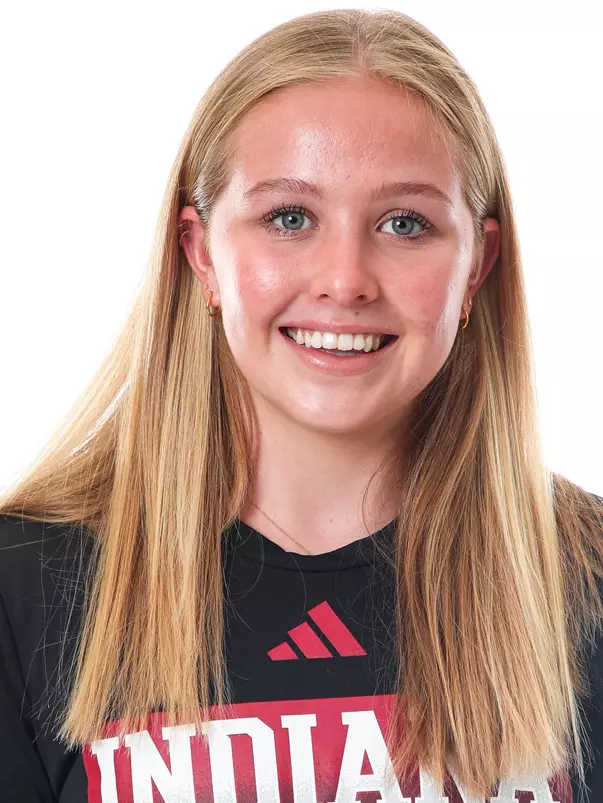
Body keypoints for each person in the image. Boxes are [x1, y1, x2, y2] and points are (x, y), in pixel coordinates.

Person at [1, 7, 602, 802]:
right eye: (289, 217)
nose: (344, 278)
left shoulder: (584, 581)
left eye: (404, 222)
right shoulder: (24, 585)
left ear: (477, 263)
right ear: (200, 253)